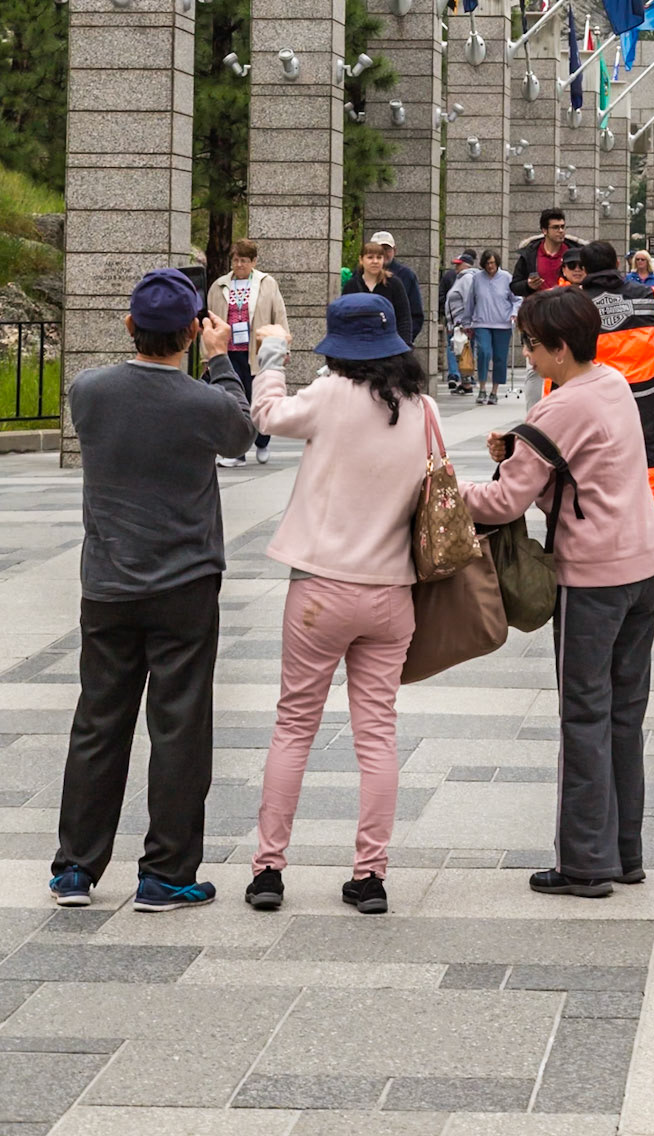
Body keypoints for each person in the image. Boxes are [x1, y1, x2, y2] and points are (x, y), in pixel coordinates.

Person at [49, 270, 253, 910]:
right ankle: (166, 872)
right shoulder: (205, 402)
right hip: (185, 583)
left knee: (98, 721)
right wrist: (221, 362)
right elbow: (243, 433)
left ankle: (75, 869)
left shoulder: (88, 390)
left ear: (130, 326)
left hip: (107, 582)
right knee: (180, 725)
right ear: (193, 331)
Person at [461, 288, 654, 898]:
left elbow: (502, 503)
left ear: (558, 348)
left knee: (583, 715)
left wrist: (444, 485)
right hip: (641, 571)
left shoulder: (557, 409)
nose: (527, 355)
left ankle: (583, 863)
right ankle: (625, 854)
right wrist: (522, 451)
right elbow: (582, 477)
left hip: (592, 581)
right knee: (624, 719)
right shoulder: (612, 383)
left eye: (531, 345)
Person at [245, 296, 428, 915]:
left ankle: (269, 870)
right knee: (377, 734)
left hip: (321, 590)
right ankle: (369, 876)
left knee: (295, 724)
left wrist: (271, 354)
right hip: (392, 595)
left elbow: (266, 416)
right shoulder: (422, 410)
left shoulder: (328, 397)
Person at [580, 239, 654, 532]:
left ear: (583, 269)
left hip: (596, 394)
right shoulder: (651, 296)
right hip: (643, 391)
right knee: (650, 452)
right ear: (619, 264)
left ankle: (600, 519)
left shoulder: (573, 302)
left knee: (594, 456)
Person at [208, 238, 289, 465]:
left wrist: (283, 347)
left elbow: (279, 315)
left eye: (244, 260)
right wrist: (209, 355)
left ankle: (262, 441)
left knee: (259, 398)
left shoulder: (267, 283)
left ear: (254, 261)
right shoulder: (219, 285)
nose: (239, 265)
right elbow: (211, 320)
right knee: (233, 400)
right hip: (229, 351)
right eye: (235, 260)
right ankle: (238, 452)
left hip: (257, 351)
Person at [467, 248, 518, 405]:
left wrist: (514, 312)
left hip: (502, 323)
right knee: (483, 352)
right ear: (483, 264)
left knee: (500, 358)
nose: (491, 266)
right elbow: (470, 301)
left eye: (493, 263)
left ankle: (494, 391)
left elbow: (516, 299)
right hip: (481, 322)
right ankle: (482, 388)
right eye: (488, 263)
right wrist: (466, 321)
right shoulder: (477, 278)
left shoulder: (507, 278)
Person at [342, 241, 413, 346]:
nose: (375, 261)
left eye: (379, 257)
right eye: (370, 257)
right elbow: (344, 318)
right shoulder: (351, 286)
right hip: (358, 346)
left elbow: (404, 318)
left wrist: (404, 346)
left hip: (388, 346)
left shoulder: (394, 284)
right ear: (361, 260)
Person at [511, 208, 582, 297]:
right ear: (544, 230)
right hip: (539, 307)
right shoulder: (530, 254)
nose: (561, 231)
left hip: (567, 306)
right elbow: (514, 286)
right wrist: (528, 285)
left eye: (562, 227)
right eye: (556, 227)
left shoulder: (576, 252)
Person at [369, 231, 424, 343]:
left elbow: (415, 314)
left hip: (395, 344)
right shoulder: (358, 277)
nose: (382, 254)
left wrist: (403, 342)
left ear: (394, 250)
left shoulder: (406, 276)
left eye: (386, 249)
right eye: (378, 250)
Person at [441, 250, 478, 395]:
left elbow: (468, 301)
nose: (455, 268)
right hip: (457, 322)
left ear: (466, 265)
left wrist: (464, 322)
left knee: (463, 352)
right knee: (460, 352)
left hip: (461, 323)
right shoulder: (461, 278)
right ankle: (465, 382)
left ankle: (467, 383)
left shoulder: (467, 278)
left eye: (458, 265)